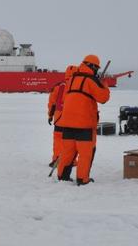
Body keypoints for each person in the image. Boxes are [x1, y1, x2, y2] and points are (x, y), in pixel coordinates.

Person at [55, 55, 110, 185]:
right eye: (96, 68)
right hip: (84, 125)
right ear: (93, 67)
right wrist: (103, 84)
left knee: (67, 152)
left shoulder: (71, 79)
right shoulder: (91, 81)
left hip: (67, 123)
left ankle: (62, 176)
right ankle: (82, 179)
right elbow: (103, 98)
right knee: (85, 154)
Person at [47, 65, 76, 166]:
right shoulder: (78, 86)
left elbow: (52, 103)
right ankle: (70, 161)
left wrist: (50, 116)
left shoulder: (58, 87)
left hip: (59, 119)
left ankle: (56, 159)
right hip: (72, 120)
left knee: (58, 140)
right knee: (71, 142)